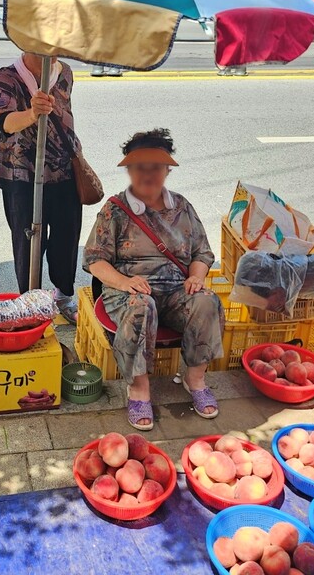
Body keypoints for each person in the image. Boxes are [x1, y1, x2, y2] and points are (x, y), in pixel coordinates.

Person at [83, 129, 224, 430]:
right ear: (130, 170)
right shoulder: (115, 210)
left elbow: (202, 252)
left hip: (175, 289)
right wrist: (123, 281)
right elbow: (95, 260)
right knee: (141, 305)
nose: (148, 174)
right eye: (140, 167)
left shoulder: (182, 207)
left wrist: (197, 277)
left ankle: (195, 380)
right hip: (128, 292)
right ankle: (138, 388)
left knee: (207, 300)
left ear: (167, 170)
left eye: (156, 167)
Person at [0, 52, 83, 323]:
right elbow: (5, 122)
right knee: (28, 241)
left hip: (63, 169)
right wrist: (33, 113)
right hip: (21, 173)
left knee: (67, 235)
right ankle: (31, 302)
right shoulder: (7, 76)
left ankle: (63, 295)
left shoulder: (65, 72)